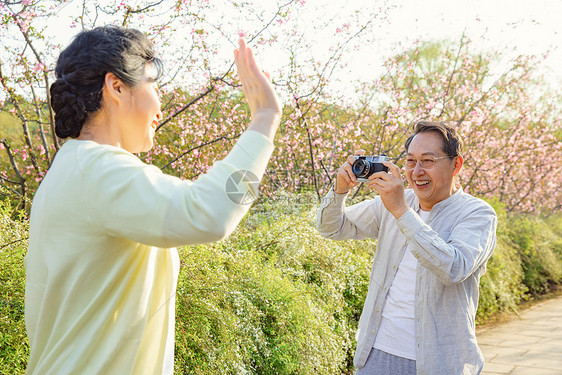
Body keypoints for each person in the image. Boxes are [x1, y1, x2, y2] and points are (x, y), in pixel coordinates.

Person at [24, 26, 281, 375]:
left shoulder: (75, 167)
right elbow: (211, 213)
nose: (160, 107)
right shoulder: (99, 170)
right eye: (155, 87)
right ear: (116, 87)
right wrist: (265, 119)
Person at [317, 121, 497, 375]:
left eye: (428, 161)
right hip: (376, 354)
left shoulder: (477, 214)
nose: (416, 171)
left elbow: (453, 268)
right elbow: (332, 227)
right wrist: (339, 191)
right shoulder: (396, 201)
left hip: (439, 362)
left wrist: (401, 210)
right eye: (411, 161)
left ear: (456, 164)